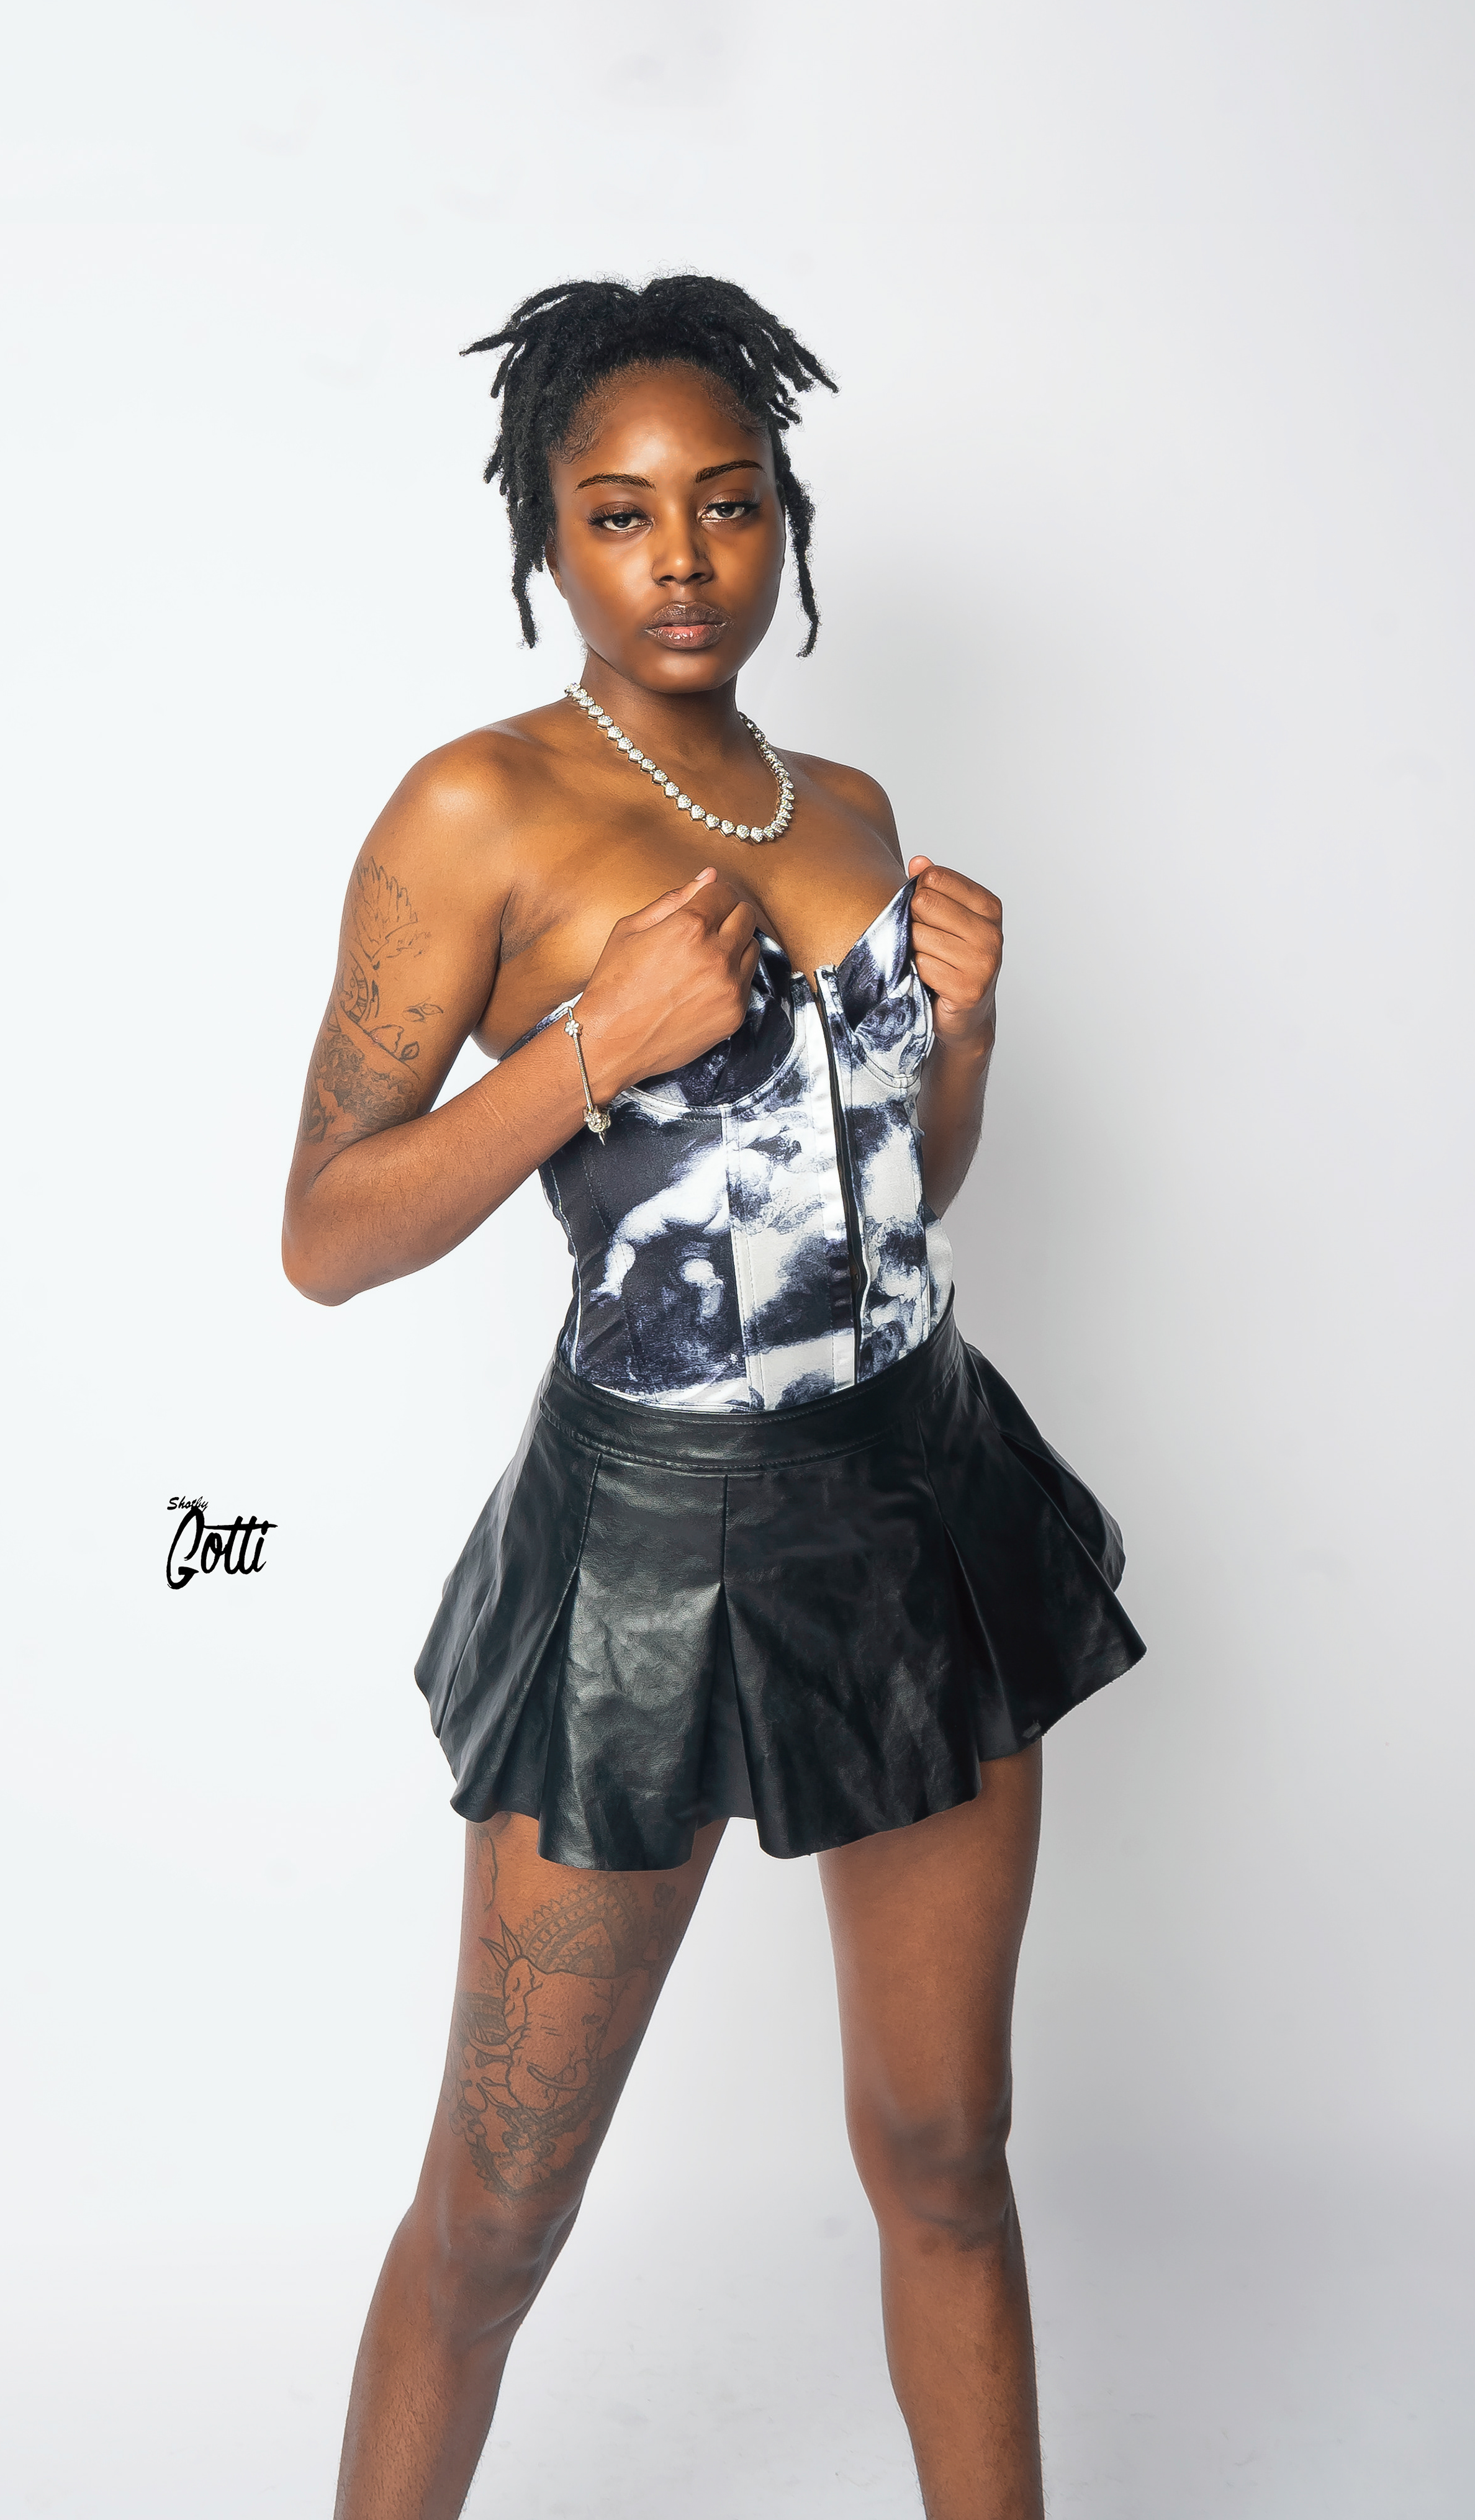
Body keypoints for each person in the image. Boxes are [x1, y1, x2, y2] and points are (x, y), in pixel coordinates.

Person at [282, 272, 1143, 2520]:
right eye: (621, 511)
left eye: (729, 503)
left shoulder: (846, 805)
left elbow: (901, 1198)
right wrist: (593, 1046)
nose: (682, 557)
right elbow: (328, 1229)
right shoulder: (473, 810)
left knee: (948, 2150)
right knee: (498, 2210)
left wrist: (964, 1034)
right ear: (547, 537)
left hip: (915, 1507)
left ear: (784, 524)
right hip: (650, 1553)